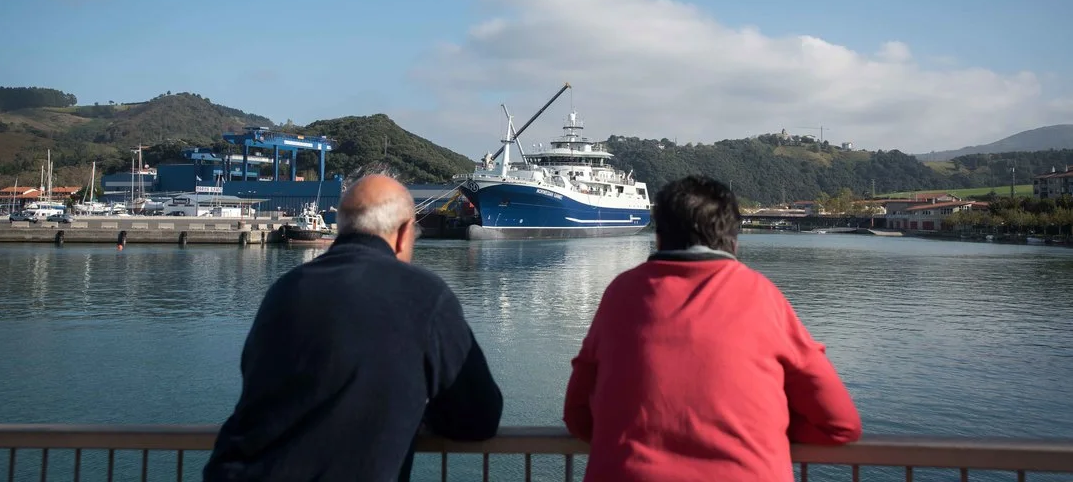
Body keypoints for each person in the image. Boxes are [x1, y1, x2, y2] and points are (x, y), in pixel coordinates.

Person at [203, 174, 503, 482]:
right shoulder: (425, 295)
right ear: (403, 233)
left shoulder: (285, 289)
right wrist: (415, 413)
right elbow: (479, 417)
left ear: (342, 226)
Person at [563, 175, 861, 481]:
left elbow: (577, 415)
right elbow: (840, 424)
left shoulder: (621, 293)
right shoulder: (761, 295)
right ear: (733, 241)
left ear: (659, 238)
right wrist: (765, 430)